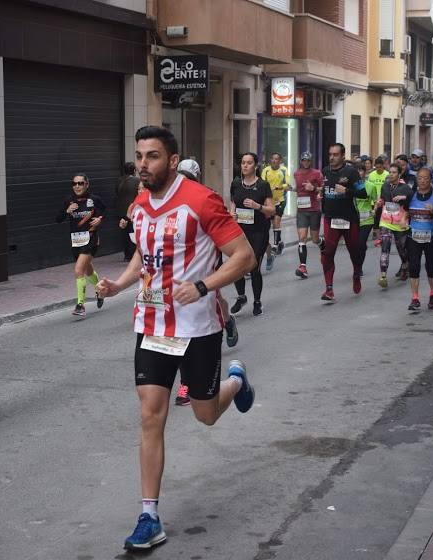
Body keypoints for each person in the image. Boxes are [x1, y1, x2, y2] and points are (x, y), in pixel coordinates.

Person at [96, 126, 256, 551]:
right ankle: (149, 515)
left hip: (198, 327)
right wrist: (120, 284)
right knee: (151, 415)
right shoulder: (141, 201)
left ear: (172, 158)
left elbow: (245, 257)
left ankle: (237, 381)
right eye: (138, 156)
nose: (142, 165)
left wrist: (204, 286)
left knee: (205, 415)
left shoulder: (202, 201)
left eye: (151, 157)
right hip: (152, 323)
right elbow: (142, 254)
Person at [173, 159, 239, 406]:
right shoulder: (168, 200)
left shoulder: (207, 199)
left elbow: (223, 233)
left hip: (205, 266)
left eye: (188, 177)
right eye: (181, 176)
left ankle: (226, 320)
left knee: (213, 299)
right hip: (178, 274)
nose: (183, 181)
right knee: (178, 326)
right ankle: (184, 383)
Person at [319, 143, 367, 301]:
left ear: (343, 156)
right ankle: (329, 289)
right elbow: (326, 190)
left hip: (349, 219)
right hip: (330, 219)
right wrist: (321, 196)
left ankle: (356, 273)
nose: (332, 157)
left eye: (335, 154)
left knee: (354, 251)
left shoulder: (351, 172)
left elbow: (363, 194)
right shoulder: (325, 171)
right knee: (327, 253)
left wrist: (347, 191)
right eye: (330, 154)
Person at [229, 153, 275, 316]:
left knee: (254, 268)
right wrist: (232, 214)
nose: (245, 166)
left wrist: (258, 206)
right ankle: (241, 297)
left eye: (249, 163)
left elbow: (272, 210)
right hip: (240, 231)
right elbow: (233, 203)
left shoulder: (263, 185)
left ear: (255, 166)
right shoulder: (236, 184)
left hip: (259, 232)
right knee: (237, 266)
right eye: (243, 163)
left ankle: (257, 301)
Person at [57, 173, 106, 316]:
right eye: (74, 184)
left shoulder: (94, 199)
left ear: (87, 184)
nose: (77, 186)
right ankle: (100, 290)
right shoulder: (69, 201)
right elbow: (58, 219)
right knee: (87, 270)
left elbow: (105, 210)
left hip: (91, 238)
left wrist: (99, 219)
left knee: (78, 270)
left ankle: (80, 305)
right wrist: (67, 211)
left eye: (80, 183)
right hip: (76, 240)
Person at [407, 168, 433, 310]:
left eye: (425, 178)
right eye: (420, 178)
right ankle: (415, 298)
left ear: (430, 180)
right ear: (417, 180)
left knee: (430, 266)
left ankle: (432, 293)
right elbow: (405, 212)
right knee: (414, 266)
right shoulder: (410, 196)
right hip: (414, 236)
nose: (422, 181)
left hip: (432, 236)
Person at [376, 163, 413, 288]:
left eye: (394, 172)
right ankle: (383, 275)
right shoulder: (385, 186)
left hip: (400, 223)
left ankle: (405, 265)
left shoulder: (405, 188)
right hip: (385, 221)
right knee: (385, 247)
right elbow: (382, 199)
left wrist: (404, 197)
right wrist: (379, 203)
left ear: (399, 174)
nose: (391, 174)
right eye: (390, 172)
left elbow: (412, 201)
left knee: (401, 249)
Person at [293, 151, 324, 278]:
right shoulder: (296, 173)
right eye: (304, 160)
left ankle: (323, 246)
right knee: (302, 238)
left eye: (308, 160)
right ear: (301, 161)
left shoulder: (317, 173)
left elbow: (324, 188)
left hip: (314, 209)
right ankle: (303, 267)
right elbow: (298, 188)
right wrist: (289, 188)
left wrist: (315, 189)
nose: (306, 162)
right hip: (301, 210)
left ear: (311, 161)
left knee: (315, 238)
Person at [261, 152, 290, 263]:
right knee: (272, 223)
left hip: (281, 200)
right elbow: (262, 183)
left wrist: (280, 187)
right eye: (272, 159)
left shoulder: (284, 170)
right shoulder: (266, 170)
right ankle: (280, 243)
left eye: (276, 159)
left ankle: (275, 245)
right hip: (269, 202)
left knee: (276, 221)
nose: (274, 161)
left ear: (280, 160)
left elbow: (287, 184)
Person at [354, 161, 380, 277]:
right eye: (357, 170)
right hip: (354, 219)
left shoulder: (371, 186)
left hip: (367, 219)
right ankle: (357, 264)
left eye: (361, 170)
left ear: (365, 172)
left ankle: (359, 268)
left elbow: (375, 201)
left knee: (361, 242)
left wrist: (374, 209)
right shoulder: (351, 187)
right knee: (356, 245)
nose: (359, 173)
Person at [117, 162, 140, 261]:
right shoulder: (137, 181)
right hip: (132, 210)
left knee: (124, 234)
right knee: (132, 232)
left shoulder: (119, 180)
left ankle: (126, 255)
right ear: (134, 170)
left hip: (120, 209)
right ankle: (132, 254)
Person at [367, 156, 390, 240]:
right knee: (375, 218)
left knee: (383, 218)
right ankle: (376, 234)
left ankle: (383, 234)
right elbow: (369, 187)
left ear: (383, 165)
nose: (378, 169)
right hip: (373, 200)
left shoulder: (387, 174)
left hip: (384, 200)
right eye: (377, 167)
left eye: (380, 167)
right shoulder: (371, 175)